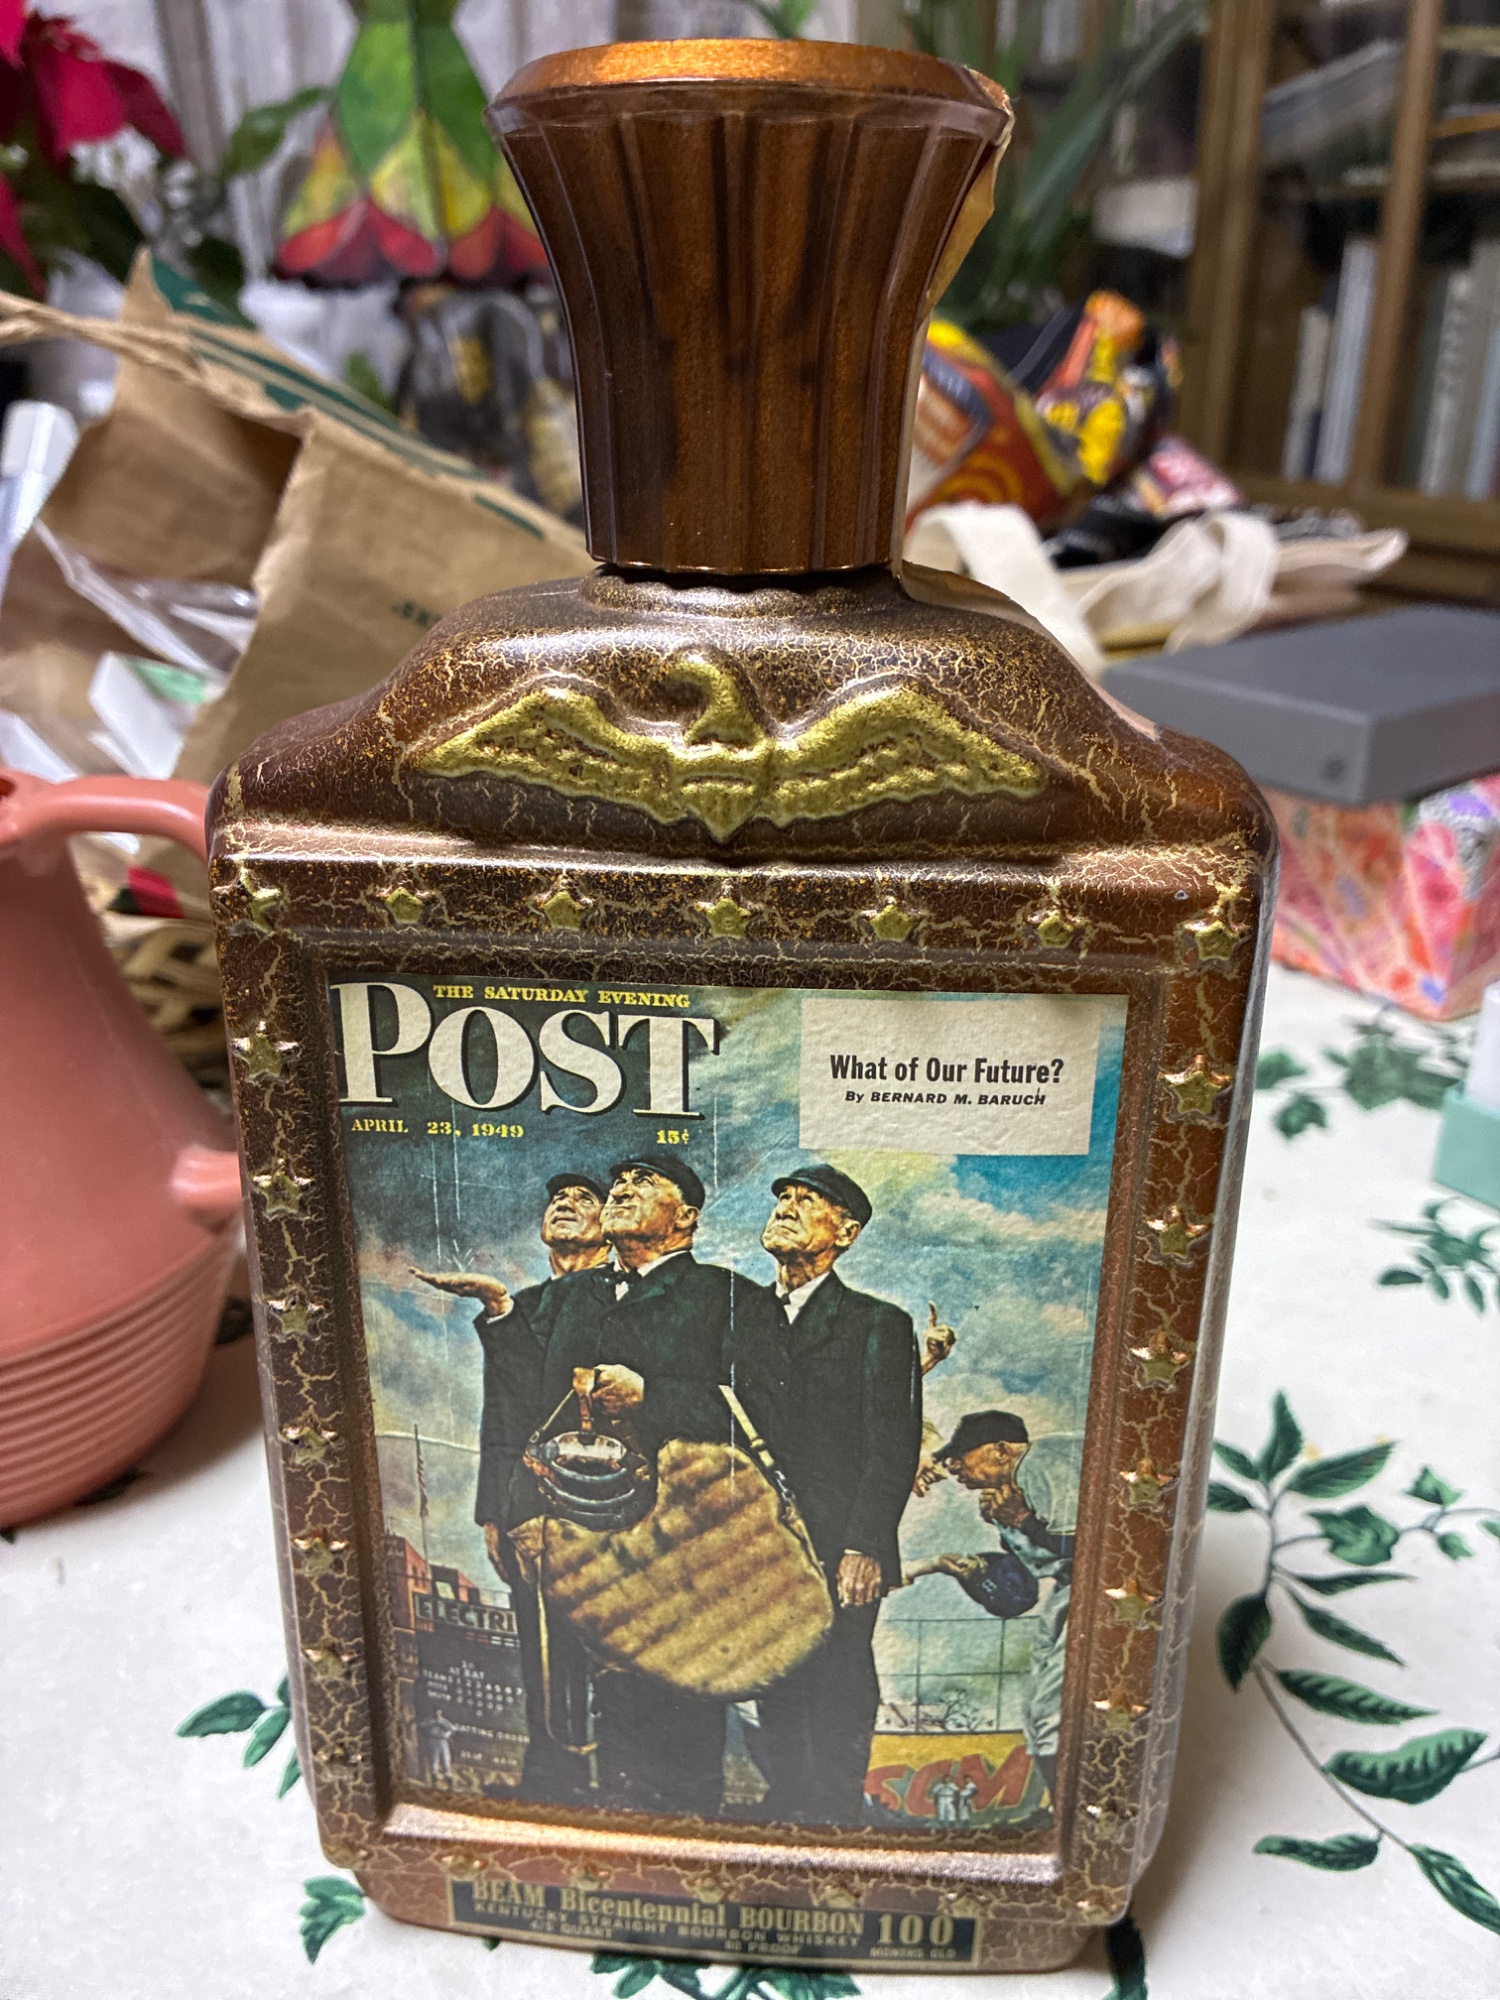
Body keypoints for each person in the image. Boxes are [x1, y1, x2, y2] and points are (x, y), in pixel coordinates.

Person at [521, 1148, 788, 1818]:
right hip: (584, 1536)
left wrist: (653, 1395)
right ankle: (623, 1827)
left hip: (687, 1543)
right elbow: (529, 1410)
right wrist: (522, 1511)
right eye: (619, 1181)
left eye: (645, 1182)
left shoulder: (731, 1297)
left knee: (681, 1704)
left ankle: (686, 1841)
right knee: (600, 1702)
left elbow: (776, 1415)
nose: (623, 1188)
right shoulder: (570, 1297)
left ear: (687, 1217)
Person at [412, 1171, 610, 1801]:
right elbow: (501, 1415)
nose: (565, 1204)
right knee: (540, 1648)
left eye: (583, 1200)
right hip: (527, 1511)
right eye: (557, 1199)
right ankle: (552, 1782)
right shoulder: (522, 1306)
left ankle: (613, 1788)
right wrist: (493, 1514)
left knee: (608, 1651)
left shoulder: (624, 1296)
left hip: (607, 1506)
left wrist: (499, 1308)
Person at [748, 1164, 922, 1827]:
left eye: (808, 1201)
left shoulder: (877, 1324)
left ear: (845, 1234)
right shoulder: (743, 1317)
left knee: (840, 1674)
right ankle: (785, 1803)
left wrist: (865, 1545)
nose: (787, 1207)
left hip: (840, 1543)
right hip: (757, 1540)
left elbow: (892, 1442)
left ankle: (832, 1814)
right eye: (784, 1198)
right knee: (775, 1669)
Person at [924, 1410, 1074, 1807]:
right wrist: (978, 1573)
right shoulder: (1006, 1496)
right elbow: (1024, 1590)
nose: (953, 1465)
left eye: (962, 1454)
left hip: (1096, 1588)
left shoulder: (1040, 1461)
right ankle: (1060, 1807)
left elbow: (1100, 1545)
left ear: (1001, 1450)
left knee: (1049, 1711)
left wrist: (1023, 1521)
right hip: (1067, 1593)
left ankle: (1067, 1809)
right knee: (1036, 1709)